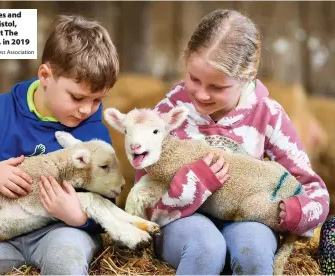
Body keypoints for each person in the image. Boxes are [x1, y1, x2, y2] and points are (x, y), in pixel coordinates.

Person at [134, 9, 330, 275]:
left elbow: (315, 192)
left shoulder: (267, 114)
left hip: (247, 218)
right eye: (194, 79)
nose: (201, 94)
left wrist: (297, 211)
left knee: (254, 251)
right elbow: (141, 202)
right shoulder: (165, 116)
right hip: (183, 222)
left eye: (217, 87)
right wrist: (192, 186)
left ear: (247, 76)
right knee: (205, 249)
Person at [0, 14, 119, 275]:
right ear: (46, 76)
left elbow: (109, 204)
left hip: (60, 233)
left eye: (97, 100)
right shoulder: (0, 110)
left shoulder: (94, 133)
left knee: (66, 259)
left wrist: (79, 218)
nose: (87, 109)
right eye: (77, 97)